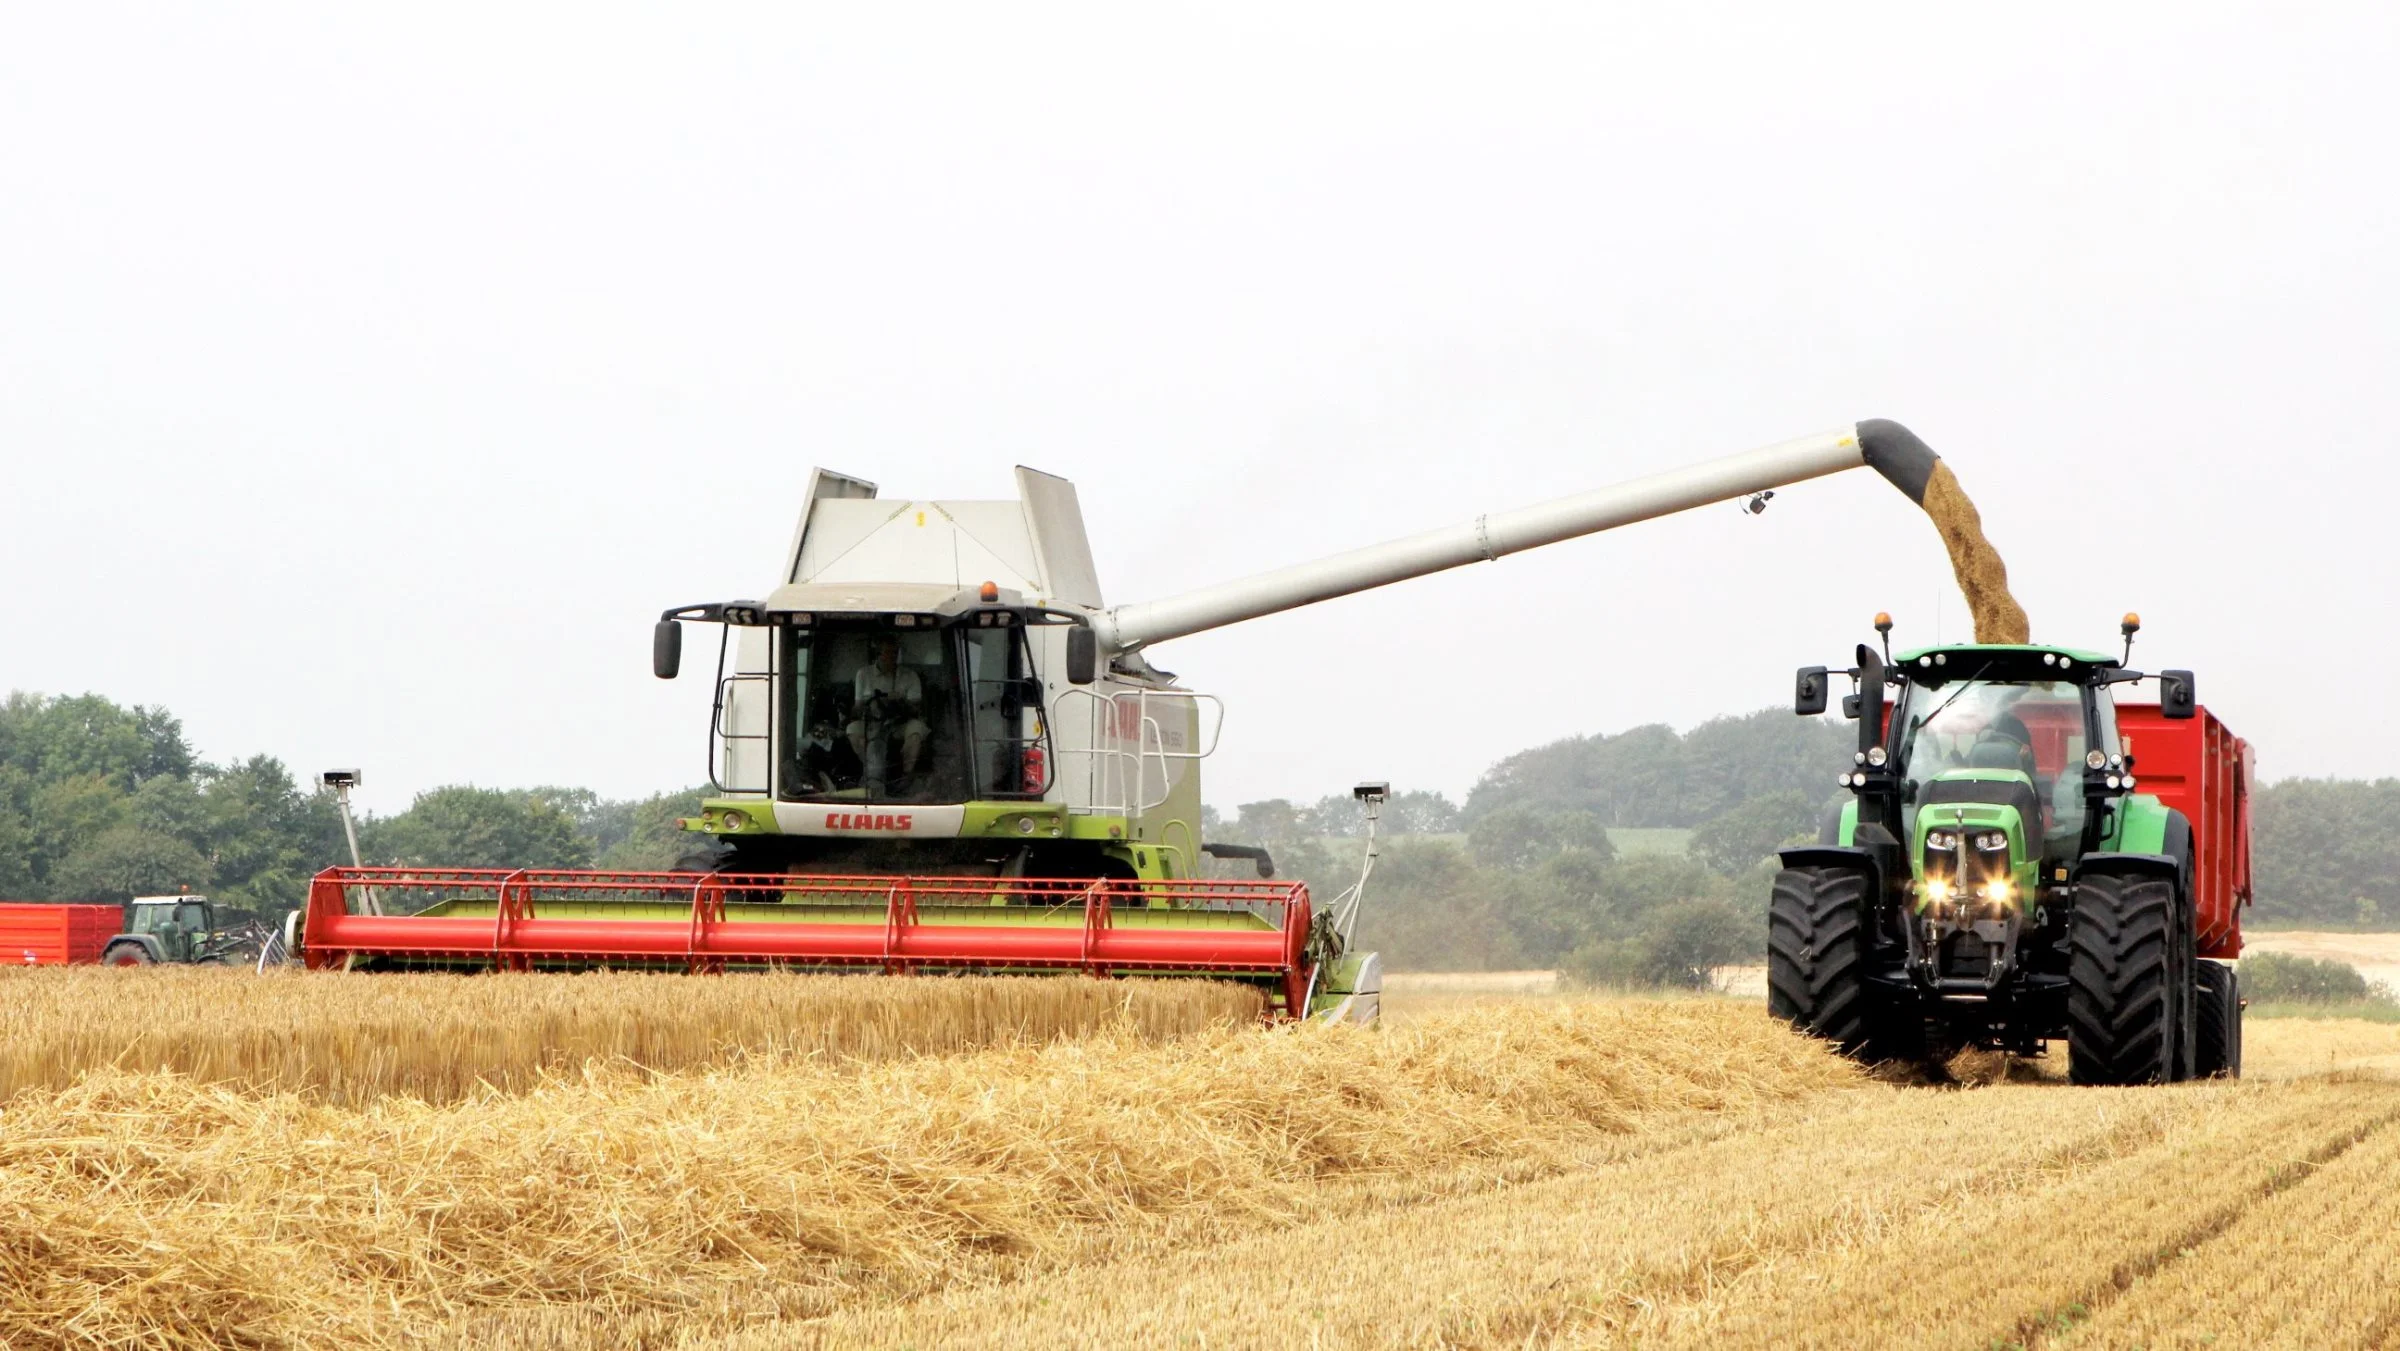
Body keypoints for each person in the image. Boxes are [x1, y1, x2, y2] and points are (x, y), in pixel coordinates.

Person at [847, 635, 930, 781]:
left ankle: (906, 777)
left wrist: (901, 701)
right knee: (853, 730)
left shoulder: (910, 676)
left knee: (916, 732)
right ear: (877, 654)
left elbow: (916, 709)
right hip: (871, 724)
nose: (892, 657)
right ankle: (870, 770)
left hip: (900, 724)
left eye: (895, 653)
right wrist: (867, 704)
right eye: (888, 653)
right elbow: (857, 707)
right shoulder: (863, 674)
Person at [796, 717, 863, 792]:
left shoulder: (840, 749)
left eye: (823, 733)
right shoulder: (816, 760)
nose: (818, 734)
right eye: (815, 732)